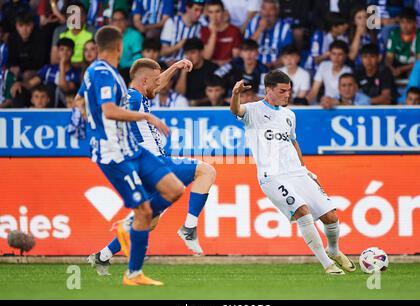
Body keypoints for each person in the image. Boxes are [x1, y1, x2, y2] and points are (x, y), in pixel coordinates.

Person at [89, 57, 216, 276]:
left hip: (150, 164)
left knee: (148, 221)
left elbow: (156, 83)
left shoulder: (140, 94)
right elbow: (114, 111)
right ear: (145, 80)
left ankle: (102, 256)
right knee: (206, 170)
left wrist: (175, 67)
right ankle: (188, 228)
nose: (160, 84)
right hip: (154, 162)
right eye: (156, 80)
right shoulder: (132, 96)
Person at [79, 25, 185, 286]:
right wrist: (147, 116)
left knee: (174, 189)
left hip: (132, 149)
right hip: (115, 154)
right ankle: (133, 273)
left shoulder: (102, 73)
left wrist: (84, 120)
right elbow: (110, 110)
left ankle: (118, 244)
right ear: (119, 47)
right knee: (146, 212)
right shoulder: (104, 73)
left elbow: (80, 101)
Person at [230, 70, 355, 275]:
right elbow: (235, 110)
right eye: (282, 91)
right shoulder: (253, 111)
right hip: (272, 176)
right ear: (268, 90)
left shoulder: (289, 115)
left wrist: (305, 169)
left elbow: (292, 141)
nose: (287, 95)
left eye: (289, 91)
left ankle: (333, 250)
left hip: (297, 173)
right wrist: (235, 94)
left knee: (331, 216)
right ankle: (327, 264)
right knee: (303, 213)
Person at [19, 38, 81, 108]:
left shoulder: (76, 72)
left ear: (73, 53)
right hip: (45, 102)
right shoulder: (48, 68)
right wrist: (19, 84)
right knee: (20, 90)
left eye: (68, 50)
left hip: (63, 105)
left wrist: (62, 65)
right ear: (57, 52)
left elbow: (65, 88)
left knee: (56, 88)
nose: (65, 53)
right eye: (62, 49)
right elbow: (30, 84)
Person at [244, 0, 293, 68]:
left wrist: (270, 66)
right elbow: (246, 48)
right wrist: (260, 29)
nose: (267, 13)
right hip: (253, 68)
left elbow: (288, 54)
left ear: (277, 11)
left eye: (271, 9)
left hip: (276, 68)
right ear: (260, 10)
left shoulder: (285, 27)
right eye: (264, 9)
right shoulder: (253, 23)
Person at [385, 7, 420, 79]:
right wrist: (391, 68)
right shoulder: (394, 34)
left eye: (408, 22)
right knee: (387, 73)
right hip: (397, 65)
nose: (405, 26)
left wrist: (402, 69)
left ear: (415, 23)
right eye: (402, 22)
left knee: (413, 74)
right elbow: (389, 57)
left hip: (412, 66)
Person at [175, 38, 219, 106]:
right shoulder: (182, 69)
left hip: (208, 106)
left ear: (201, 52)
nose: (189, 57)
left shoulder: (212, 68)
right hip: (186, 106)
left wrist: (197, 102)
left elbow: (217, 95)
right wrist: (184, 72)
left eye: (193, 52)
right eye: (187, 53)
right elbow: (179, 94)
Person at [200, 0, 242, 66]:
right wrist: (213, 33)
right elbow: (207, 57)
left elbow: (236, 56)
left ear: (223, 12)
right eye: (211, 12)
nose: (214, 15)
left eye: (217, 11)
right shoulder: (204, 30)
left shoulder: (234, 30)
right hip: (210, 67)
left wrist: (223, 64)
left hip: (229, 66)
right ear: (208, 14)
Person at [110, 9, 143, 83]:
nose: (118, 23)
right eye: (115, 20)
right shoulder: (109, 37)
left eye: (121, 19)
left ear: (126, 21)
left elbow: (138, 61)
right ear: (111, 23)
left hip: (131, 72)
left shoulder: (135, 36)